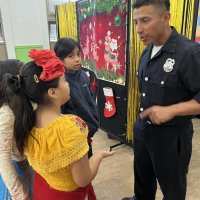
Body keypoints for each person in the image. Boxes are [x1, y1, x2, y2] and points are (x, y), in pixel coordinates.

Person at [2, 49, 115, 200]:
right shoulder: (71, 128)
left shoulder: (26, 121)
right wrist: (99, 156)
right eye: (65, 81)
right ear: (53, 92)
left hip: (43, 190)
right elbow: (82, 179)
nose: (68, 84)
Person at [122, 0, 200, 200]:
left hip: (171, 136)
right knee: (142, 178)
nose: (139, 29)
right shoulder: (146, 51)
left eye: (145, 21)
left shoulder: (189, 53)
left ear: (165, 18)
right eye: (136, 22)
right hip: (143, 129)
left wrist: (171, 110)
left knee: (172, 187)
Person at [54, 37, 99, 158]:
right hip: (74, 137)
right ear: (60, 59)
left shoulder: (84, 75)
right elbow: (60, 113)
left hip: (88, 132)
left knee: (88, 163)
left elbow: (90, 99)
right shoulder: (61, 81)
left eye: (78, 54)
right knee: (80, 173)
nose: (77, 59)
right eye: (71, 56)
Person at [0, 60, 31, 200]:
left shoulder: (20, 103)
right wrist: (19, 194)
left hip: (27, 163)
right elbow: (3, 157)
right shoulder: (6, 113)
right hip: (17, 167)